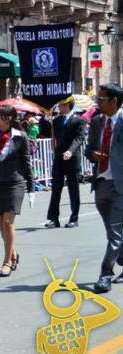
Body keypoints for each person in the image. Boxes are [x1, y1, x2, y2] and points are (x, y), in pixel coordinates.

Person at [0, 105, 34, 277]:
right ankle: (13, 253)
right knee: (1, 224)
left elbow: (26, 163)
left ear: (8, 119)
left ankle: (6, 261)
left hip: (16, 183)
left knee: (8, 222)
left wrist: (32, 187)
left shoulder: (21, 137)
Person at [85, 84, 123, 293]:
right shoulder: (97, 121)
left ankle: (105, 275)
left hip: (121, 186)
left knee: (116, 233)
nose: (98, 102)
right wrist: (93, 155)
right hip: (101, 184)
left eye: (101, 99)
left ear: (115, 101)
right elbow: (88, 149)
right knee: (112, 232)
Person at [45, 97, 86, 229]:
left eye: (61, 105)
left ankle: (74, 218)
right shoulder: (57, 120)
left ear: (68, 105)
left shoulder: (79, 120)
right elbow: (45, 132)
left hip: (71, 159)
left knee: (73, 189)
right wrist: (45, 120)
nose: (59, 107)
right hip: (58, 159)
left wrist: (70, 151)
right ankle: (53, 218)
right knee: (56, 189)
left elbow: (79, 138)